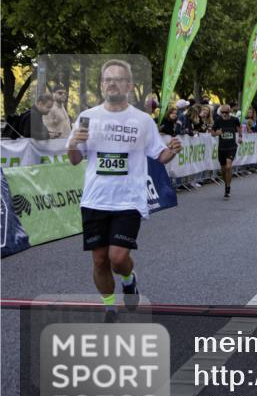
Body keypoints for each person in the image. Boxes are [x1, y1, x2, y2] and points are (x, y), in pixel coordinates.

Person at [66, 60, 182, 322]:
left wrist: (172, 150)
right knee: (99, 260)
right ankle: (109, 306)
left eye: (118, 79)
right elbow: (74, 159)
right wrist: (72, 143)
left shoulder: (142, 120)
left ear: (129, 86)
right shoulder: (87, 117)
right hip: (95, 199)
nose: (112, 84)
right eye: (108, 79)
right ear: (101, 85)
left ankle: (129, 279)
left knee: (117, 259)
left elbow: (160, 155)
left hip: (128, 200)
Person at [212, 103, 242, 199]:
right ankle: (226, 184)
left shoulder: (235, 120)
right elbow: (212, 133)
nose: (224, 114)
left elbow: (239, 128)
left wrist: (240, 137)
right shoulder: (218, 121)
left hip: (231, 147)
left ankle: (228, 188)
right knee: (223, 170)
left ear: (230, 112)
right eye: (222, 112)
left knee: (228, 167)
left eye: (226, 112)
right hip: (222, 148)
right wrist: (217, 133)